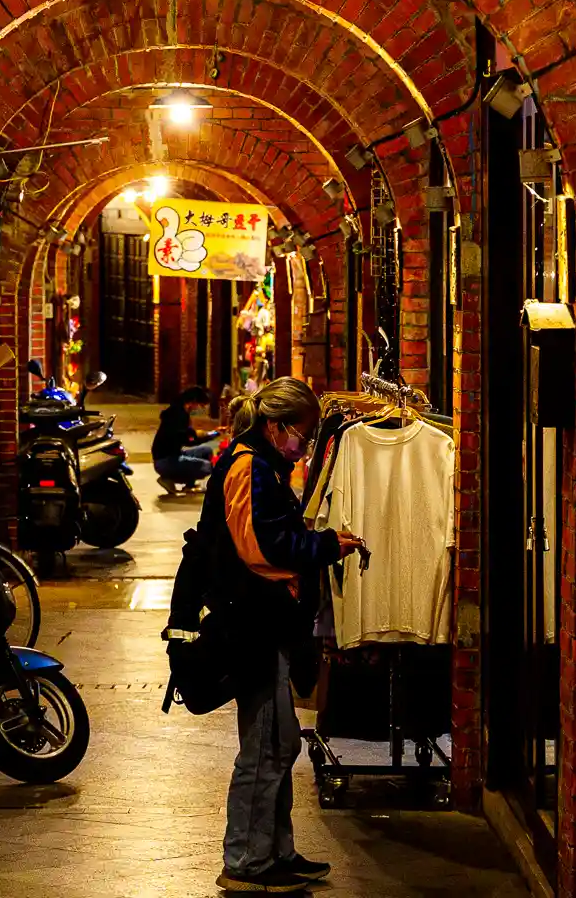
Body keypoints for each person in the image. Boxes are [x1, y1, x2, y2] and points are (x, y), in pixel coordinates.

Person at [201, 377, 365, 893]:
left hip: (266, 624)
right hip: (252, 625)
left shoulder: (264, 465)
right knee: (266, 747)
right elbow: (263, 551)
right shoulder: (249, 466)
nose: (306, 445)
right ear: (277, 426)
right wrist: (323, 546)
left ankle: (275, 851)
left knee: (280, 741)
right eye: (304, 433)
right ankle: (246, 862)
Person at [152, 386, 219, 495]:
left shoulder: (180, 411)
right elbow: (189, 440)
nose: (198, 409)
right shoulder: (177, 415)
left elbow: (190, 434)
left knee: (206, 451)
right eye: (199, 405)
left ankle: (190, 485)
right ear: (193, 401)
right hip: (165, 461)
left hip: (172, 455)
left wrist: (212, 434)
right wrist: (209, 436)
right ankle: (168, 478)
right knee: (207, 466)